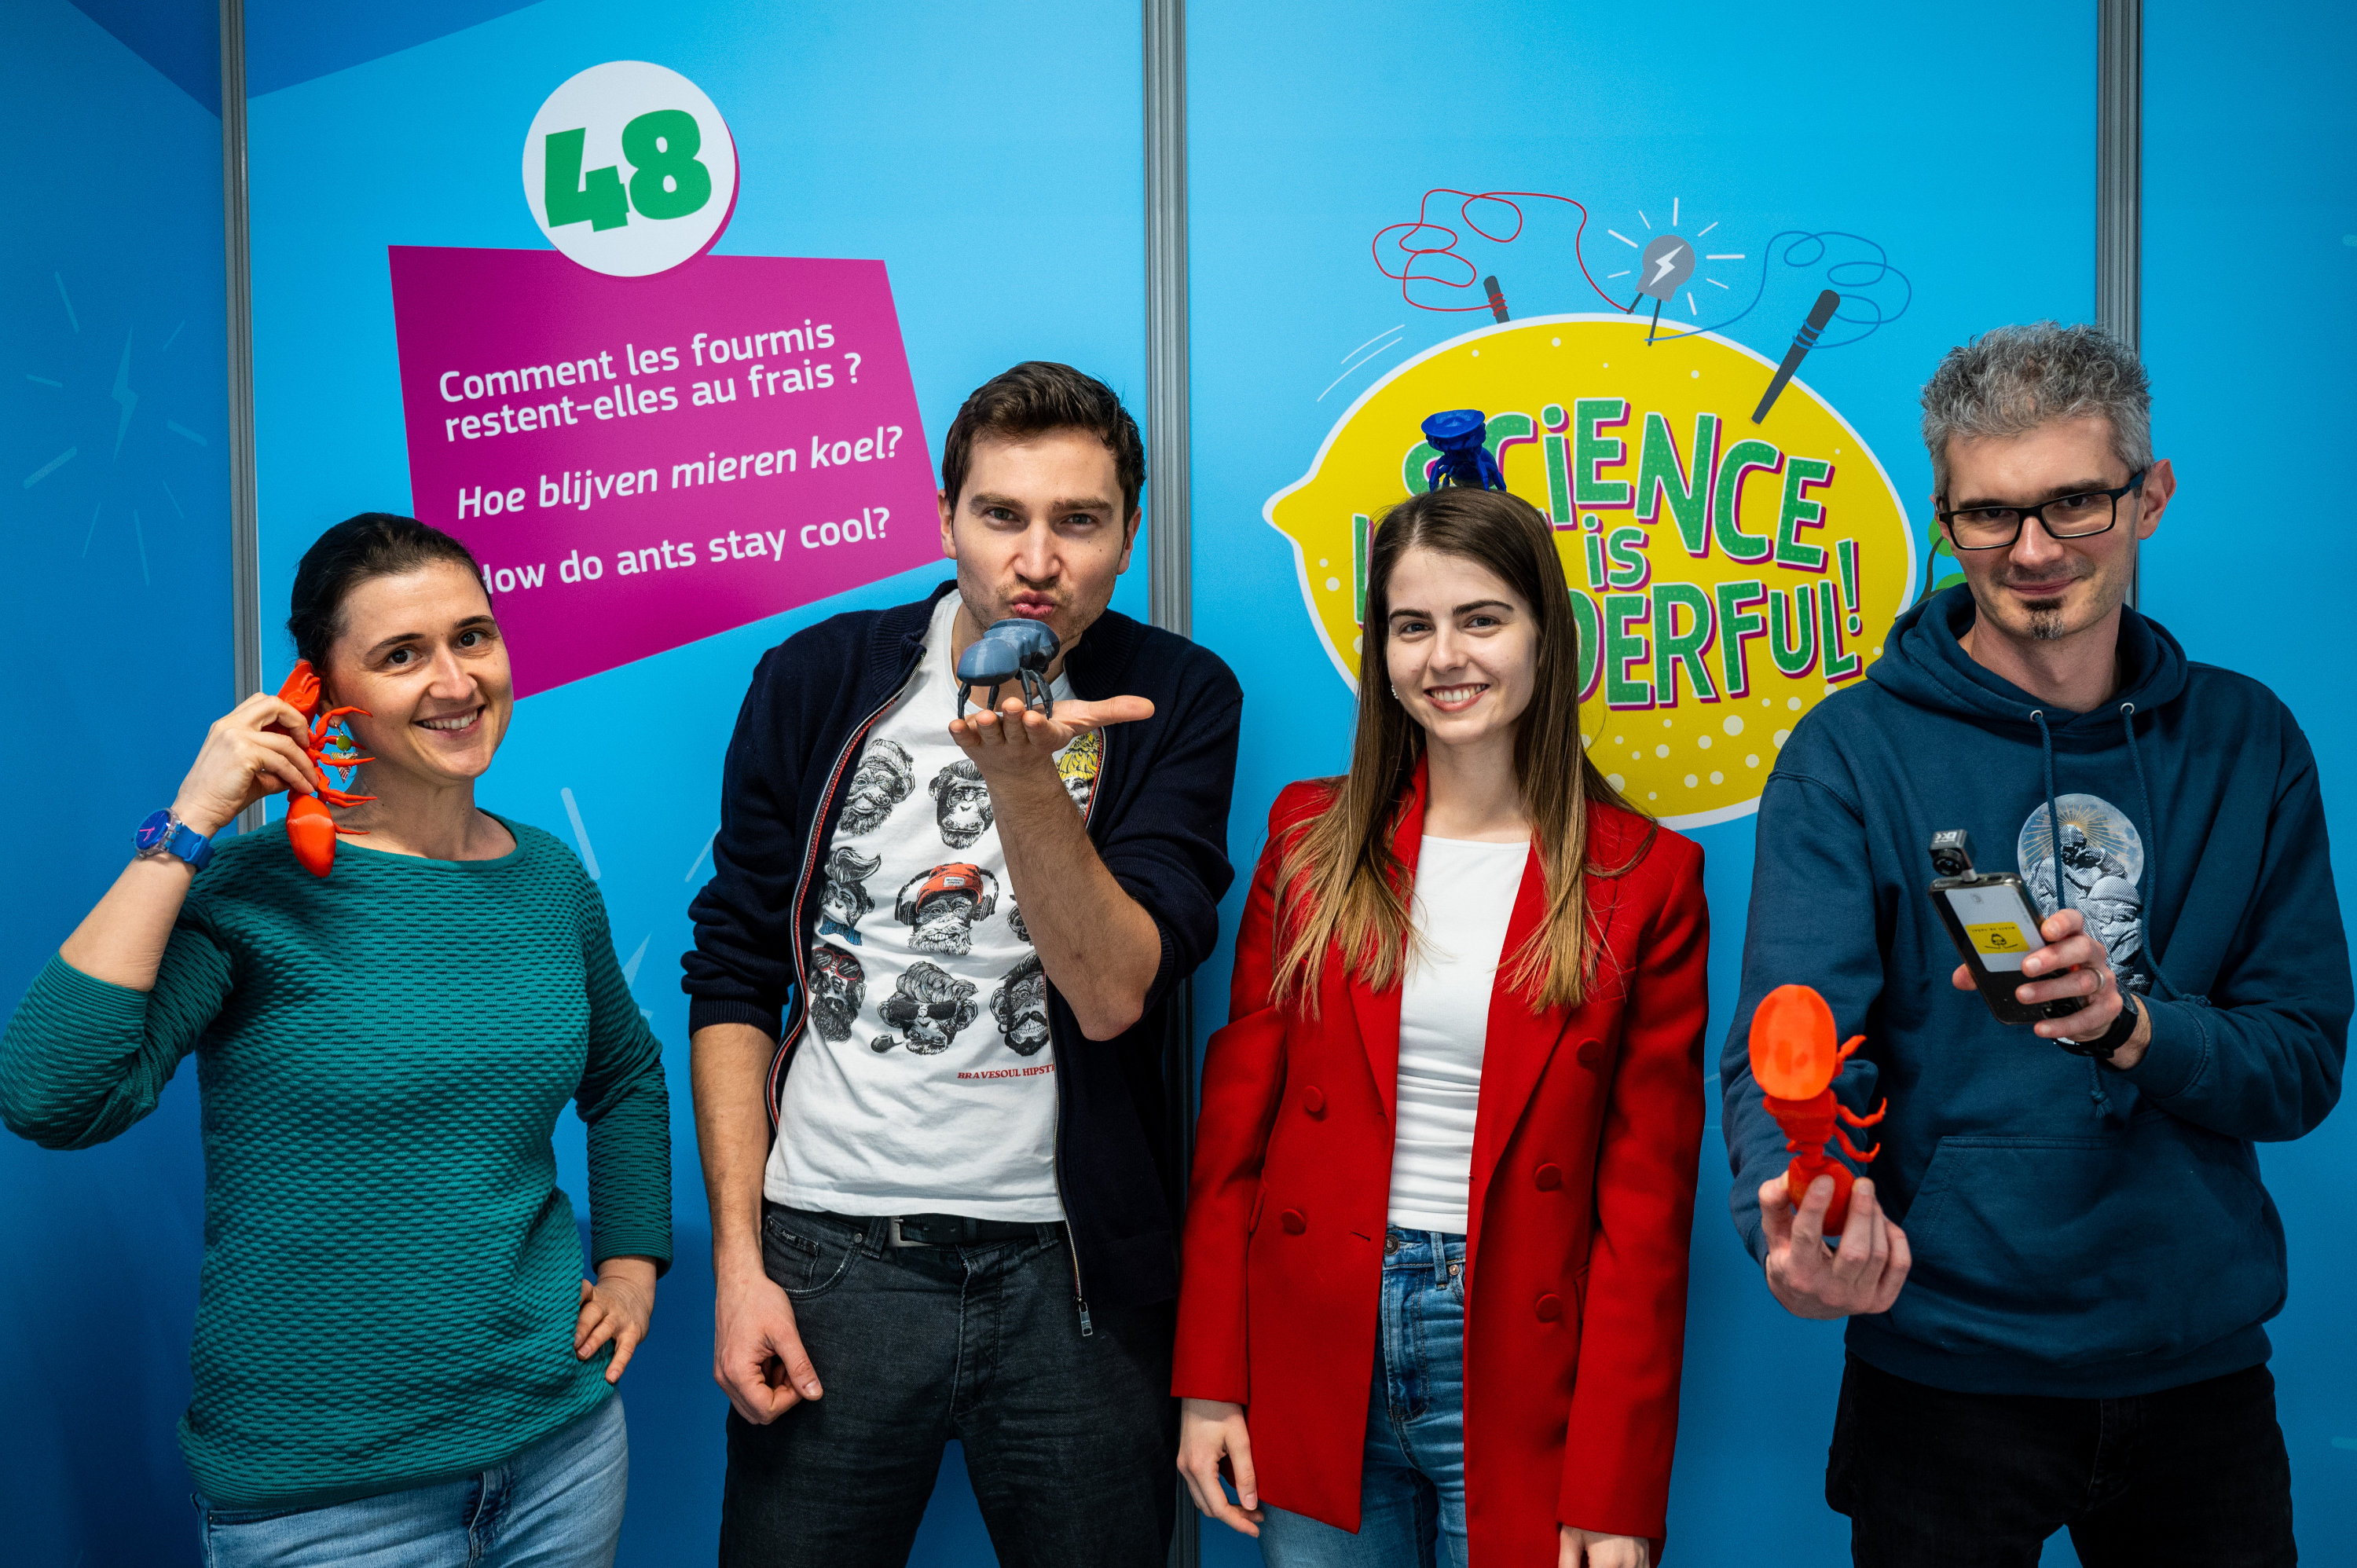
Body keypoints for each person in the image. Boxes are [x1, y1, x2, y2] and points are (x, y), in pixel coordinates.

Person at [1721, 323, 2349, 1568]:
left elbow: (2300, 1064)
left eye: (2075, 502)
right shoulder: (1852, 753)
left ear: (2149, 496)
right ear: (1946, 517)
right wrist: (1795, 1216)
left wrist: (2131, 1028)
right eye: (1990, 515)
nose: (2035, 552)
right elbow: (1789, 1050)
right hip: (1940, 1376)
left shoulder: (2247, 740)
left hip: (2198, 1373)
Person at [0, 513, 672, 1565]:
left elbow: (626, 1074)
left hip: (561, 1453)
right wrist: (189, 827)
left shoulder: (545, 877)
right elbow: (52, 1094)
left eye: (473, 637)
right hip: (326, 1500)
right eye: (402, 655)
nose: (455, 682)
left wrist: (632, 1267)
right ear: (320, 692)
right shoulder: (253, 894)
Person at [684, 361, 1243, 1566]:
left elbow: (1111, 993)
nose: (1036, 559)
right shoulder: (818, 679)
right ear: (947, 521)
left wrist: (1024, 780)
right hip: (829, 1257)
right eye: (1002, 516)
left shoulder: (1175, 699)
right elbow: (733, 969)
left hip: (1077, 1283)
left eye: (1079, 522)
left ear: (1129, 534)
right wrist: (740, 1267)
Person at [1175, 486, 1709, 1568]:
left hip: (1515, 1347)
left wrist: (1617, 1492)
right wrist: (1208, 1381)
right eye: (1411, 626)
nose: (1444, 656)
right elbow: (1233, 1144)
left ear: (1546, 634)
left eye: (1481, 618)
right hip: (1315, 1336)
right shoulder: (1310, 840)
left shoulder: (1645, 879)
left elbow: (1645, 1212)